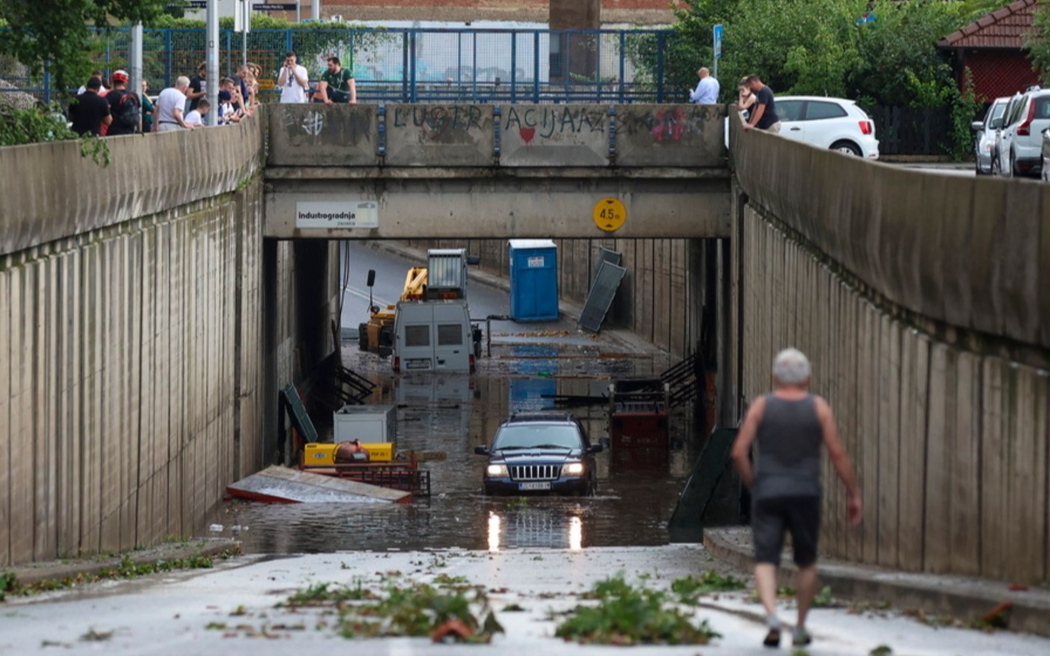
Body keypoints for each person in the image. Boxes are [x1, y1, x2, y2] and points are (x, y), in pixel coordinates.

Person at [730, 348, 862, 649]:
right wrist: (853, 493)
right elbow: (837, 453)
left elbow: (738, 452)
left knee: (765, 559)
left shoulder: (761, 407)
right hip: (806, 492)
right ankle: (800, 627)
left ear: (774, 377)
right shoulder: (819, 408)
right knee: (806, 562)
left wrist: (755, 484)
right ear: (808, 378)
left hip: (769, 492)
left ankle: (773, 616)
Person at [105, 70, 141, 136]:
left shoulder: (110, 95)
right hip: (130, 131)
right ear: (125, 82)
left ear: (113, 82)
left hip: (114, 131)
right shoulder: (133, 95)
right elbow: (138, 114)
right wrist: (139, 130)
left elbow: (105, 112)